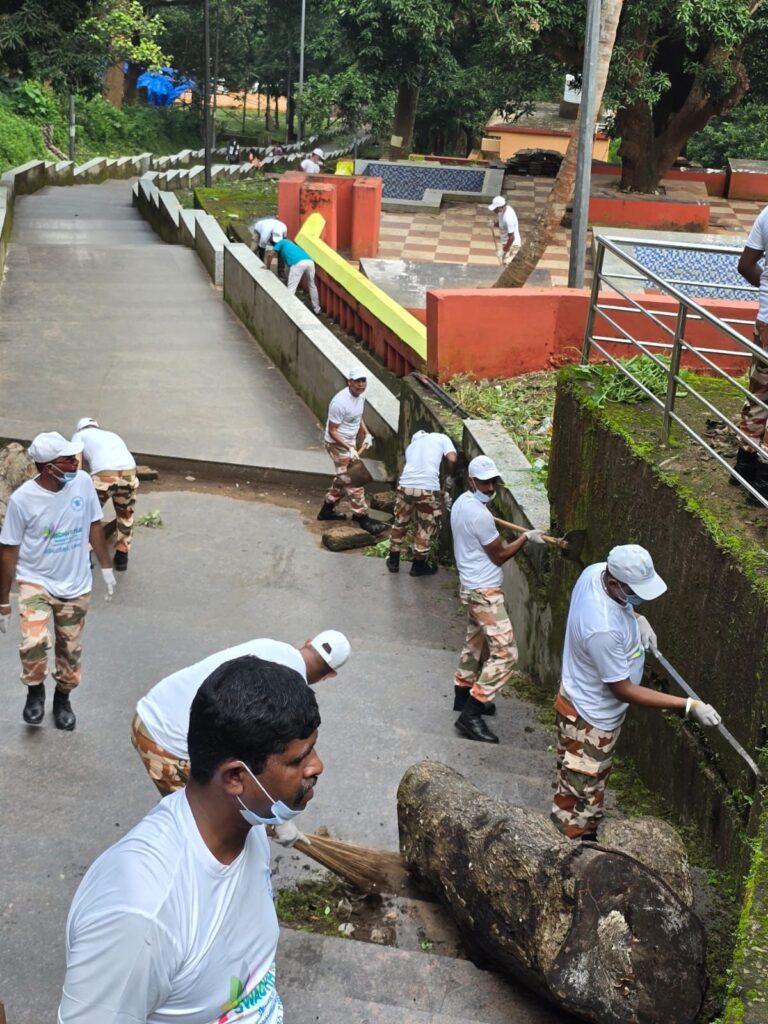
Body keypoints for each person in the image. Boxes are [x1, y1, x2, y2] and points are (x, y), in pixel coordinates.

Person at [59, 655, 322, 1024]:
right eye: (298, 761)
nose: (317, 766)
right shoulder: (141, 916)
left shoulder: (248, 827)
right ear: (235, 778)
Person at [551, 544, 722, 842]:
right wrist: (687, 705)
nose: (638, 597)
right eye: (634, 591)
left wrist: (637, 619)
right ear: (614, 582)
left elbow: (621, 607)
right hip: (589, 722)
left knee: (587, 783)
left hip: (581, 700)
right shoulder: (602, 628)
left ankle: (586, 835)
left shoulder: (595, 573)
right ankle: (568, 848)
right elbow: (623, 689)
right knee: (578, 794)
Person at [131, 629, 349, 815]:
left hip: (151, 706)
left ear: (308, 643)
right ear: (330, 674)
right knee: (200, 819)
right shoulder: (289, 697)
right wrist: (274, 819)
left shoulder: (270, 646)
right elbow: (251, 757)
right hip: (164, 741)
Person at [0, 432, 116, 731]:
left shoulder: (83, 483)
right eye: (67, 459)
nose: (75, 462)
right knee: (33, 642)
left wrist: (106, 567)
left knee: (70, 650)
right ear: (48, 467)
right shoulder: (23, 500)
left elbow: (94, 523)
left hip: (75, 585)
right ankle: (35, 692)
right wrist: (3, 602)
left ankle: (62, 699)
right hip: (35, 581)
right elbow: (9, 549)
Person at [450, 455, 544, 743]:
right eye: (484, 483)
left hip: (470, 586)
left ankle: (463, 694)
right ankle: (472, 713)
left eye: (493, 482)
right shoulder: (479, 515)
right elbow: (500, 555)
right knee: (506, 654)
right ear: (471, 481)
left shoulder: (462, 503)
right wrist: (525, 538)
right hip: (484, 593)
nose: (490, 488)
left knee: (475, 642)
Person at [317, 367, 387, 536]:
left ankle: (327, 509)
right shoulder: (339, 403)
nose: (361, 384)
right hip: (337, 444)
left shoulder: (360, 396)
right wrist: (348, 448)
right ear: (349, 382)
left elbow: (357, 416)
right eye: (357, 381)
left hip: (350, 442)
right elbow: (333, 431)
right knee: (354, 480)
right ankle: (362, 517)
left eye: (363, 381)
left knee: (343, 478)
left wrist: (366, 433)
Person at [387, 430, 457, 577]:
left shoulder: (410, 448)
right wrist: (451, 477)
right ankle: (418, 566)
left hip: (405, 486)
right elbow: (452, 459)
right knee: (425, 525)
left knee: (400, 521)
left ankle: (393, 561)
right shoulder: (441, 437)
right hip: (427, 488)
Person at [72, 417, 138, 572]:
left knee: (88, 516)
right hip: (129, 473)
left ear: (80, 428)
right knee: (125, 514)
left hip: (104, 476)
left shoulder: (78, 436)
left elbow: (76, 466)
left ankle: (85, 556)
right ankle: (122, 556)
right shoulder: (112, 435)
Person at [735, 206, 768, 503]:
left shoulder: (767, 214)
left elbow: (745, 265)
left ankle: (744, 467)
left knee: (759, 395)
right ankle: (763, 486)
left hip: (765, 323)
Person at [271, 234, 321, 314]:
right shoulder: (291, 244)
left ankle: (288, 310)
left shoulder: (281, 242)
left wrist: (267, 267)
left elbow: (270, 254)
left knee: (291, 289)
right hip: (309, 261)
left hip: (298, 263)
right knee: (312, 285)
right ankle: (317, 309)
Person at [488, 195, 521, 264]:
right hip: (506, 244)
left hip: (513, 245)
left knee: (507, 264)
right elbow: (502, 224)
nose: (494, 210)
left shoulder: (508, 218)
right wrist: (494, 224)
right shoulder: (502, 211)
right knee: (504, 263)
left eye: (495, 209)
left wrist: (503, 250)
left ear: (501, 207)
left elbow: (511, 237)